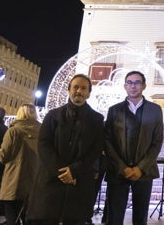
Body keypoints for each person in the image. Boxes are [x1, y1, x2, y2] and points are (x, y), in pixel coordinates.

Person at [26, 74, 104, 225]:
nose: (79, 91)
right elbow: (44, 144)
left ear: (89, 93)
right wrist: (62, 172)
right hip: (51, 181)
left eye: (83, 88)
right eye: (75, 87)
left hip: (79, 182)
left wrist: (74, 170)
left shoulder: (97, 119)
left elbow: (95, 149)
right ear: (68, 90)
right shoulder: (53, 116)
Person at [103, 70, 164, 225]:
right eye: (129, 82)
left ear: (143, 85)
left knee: (140, 217)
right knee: (114, 217)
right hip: (118, 171)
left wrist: (140, 168)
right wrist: (122, 168)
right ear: (125, 86)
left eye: (137, 82)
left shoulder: (155, 110)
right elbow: (107, 142)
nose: (133, 86)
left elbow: (156, 142)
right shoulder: (114, 110)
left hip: (144, 172)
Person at [0, 103, 41, 225]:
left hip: (14, 180)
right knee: (30, 218)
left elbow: (3, 156)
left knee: (12, 217)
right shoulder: (43, 132)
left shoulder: (13, 131)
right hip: (35, 181)